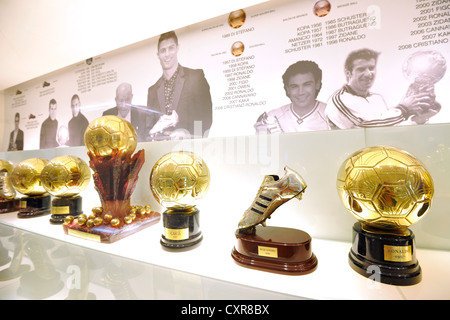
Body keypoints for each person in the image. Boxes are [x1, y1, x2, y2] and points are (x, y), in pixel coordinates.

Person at [325, 48, 431, 129]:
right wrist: (404, 109)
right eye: (361, 69)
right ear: (348, 73)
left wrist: (416, 120)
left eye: (371, 68)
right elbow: (367, 126)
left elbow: (387, 129)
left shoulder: (377, 98)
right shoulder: (339, 100)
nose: (368, 74)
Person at [146, 31, 213, 140]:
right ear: (158, 55)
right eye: (163, 50)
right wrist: (154, 133)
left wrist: (187, 135)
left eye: (171, 48)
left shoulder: (195, 78)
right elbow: (147, 130)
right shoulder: (152, 90)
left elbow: (205, 120)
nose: (167, 54)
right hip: (161, 153)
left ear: (177, 48)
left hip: (190, 151)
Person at [254, 60, 330, 133]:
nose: (301, 92)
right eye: (294, 86)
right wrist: (262, 139)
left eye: (307, 85)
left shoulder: (332, 115)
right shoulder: (272, 117)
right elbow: (262, 145)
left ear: (317, 84)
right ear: (287, 89)